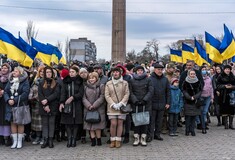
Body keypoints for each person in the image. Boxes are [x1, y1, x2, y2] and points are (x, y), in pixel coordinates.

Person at [4, 66, 30, 149]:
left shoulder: (25, 81)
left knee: (20, 123)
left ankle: (19, 141)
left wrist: (14, 100)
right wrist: (8, 100)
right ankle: (14, 141)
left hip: (20, 105)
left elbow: (25, 93)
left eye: (16, 71)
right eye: (13, 71)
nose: (13, 72)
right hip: (10, 105)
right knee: (13, 123)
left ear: (20, 73)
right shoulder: (10, 81)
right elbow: (6, 92)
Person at [105, 67, 130, 148]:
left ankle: (118, 140)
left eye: (117, 72)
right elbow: (107, 95)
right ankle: (112, 140)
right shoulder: (108, 83)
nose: (115, 73)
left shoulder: (125, 83)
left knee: (120, 123)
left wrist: (121, 103)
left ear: (120, 73)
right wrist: (113, 104)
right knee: (113, 123)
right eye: (114, 72)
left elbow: (127, 94)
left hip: (121, 107)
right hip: (112, 107)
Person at [59, 66, 84, 147]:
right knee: (67, 123)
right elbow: (63, 93)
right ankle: (69, 138)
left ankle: (74, 139)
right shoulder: (65, 81)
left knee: (76, 123)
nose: (71, 73)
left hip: (77, 104)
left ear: (76, 73)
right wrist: (62, 102)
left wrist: (73, 97)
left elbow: (81, 93)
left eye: (73, 72)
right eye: (70, 72)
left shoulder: (80, 81)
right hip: (67, 105)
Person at [129, 66, 153, 146]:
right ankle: (136, 138)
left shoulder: (148, 80)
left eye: (141, 70)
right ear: (136, 72)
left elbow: (150, 91)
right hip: (135, 104)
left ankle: (143, 138)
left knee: (144, 121)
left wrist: (145, 100)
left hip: (145, 104)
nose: (140, 72)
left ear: (143, 71)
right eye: (138, 70)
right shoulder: (132, 80)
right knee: (136, 121)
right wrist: (134, 100)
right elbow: (130, 91)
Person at [38, 66, 60, 148]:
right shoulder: (41, 82)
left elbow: (56, 94)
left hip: (52, 106)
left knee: (51, 123)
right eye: (47, 72)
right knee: (45, 124)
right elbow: (40, 94)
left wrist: (47, 100)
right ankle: (45, 139)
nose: (48, 73)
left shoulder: (56, 83)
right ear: (44, 73)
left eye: (50, 72)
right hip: (43, 106)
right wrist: (45, 104)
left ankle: (51, 139)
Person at [149, 63, 171, 142]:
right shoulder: (150, 79)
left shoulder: (165, 79)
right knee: (152, 121)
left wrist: (168, 102)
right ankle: (150, 135)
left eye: (161, 70)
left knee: (159, 121)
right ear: (154, 70)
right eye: (158, 69)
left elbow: (168, 91)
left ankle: (157, 134)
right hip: (152, 103)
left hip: (162, 103)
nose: (160, 71)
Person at [83, 72, 106, 146]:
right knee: (90, 126)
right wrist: (89, 105)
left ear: (96, 78)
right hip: (88, 108)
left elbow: (102, 96)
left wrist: (95, 105)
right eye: (90, 78)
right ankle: (93, 140)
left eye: (93, 78)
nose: (91, 79)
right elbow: (83, 98)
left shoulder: (101, 86)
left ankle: (99, 140)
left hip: (98, 108)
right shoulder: (85, 86)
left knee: (97, 126)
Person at [182, 69, 203, 136]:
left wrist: (194, 97)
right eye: (191, 74)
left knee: (194, 117)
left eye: (194, 74)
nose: (193, 75)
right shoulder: (185, 82)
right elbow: (184, 91)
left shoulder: (198, 82)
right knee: (188, 117)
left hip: (195, 102)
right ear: (189, 74)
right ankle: (187, 130)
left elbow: (200, 91)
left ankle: (192, 130)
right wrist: (189, 97)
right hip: (187, 102)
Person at [28, 65, 44, 145]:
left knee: (42, 122)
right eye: (40, 71)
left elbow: (43, 93)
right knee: (36, 122)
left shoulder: (46, 81)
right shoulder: (35, 81)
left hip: (43, 104)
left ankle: (43, 137)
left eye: (43, 71)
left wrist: (36, 98)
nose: (41, 73)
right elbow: (31, 90)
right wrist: (30, 98)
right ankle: (37, 136)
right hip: (35, 105)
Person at [216, 65, 235, 129]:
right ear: (224, 70)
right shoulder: (220, 76)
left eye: (229, 69)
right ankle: (226, 124)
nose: (228, 70)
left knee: (231, 110)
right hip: (223, 95)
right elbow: (217, 86)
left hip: (231, 95)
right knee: (224, 110)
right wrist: (224, 86)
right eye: (226, 69)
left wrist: (232, 86)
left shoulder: (232, 76)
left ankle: (231, 124)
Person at [199, 66, 214, 134]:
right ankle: (201, 125)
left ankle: (204, 125)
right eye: (203, 69)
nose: (204, 71)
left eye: (205, 69)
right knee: (201, 111)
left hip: (208, 97)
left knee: (205, 111)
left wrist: (212, 97)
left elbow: (211, 88)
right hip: (201, 96)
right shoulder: (199, 78)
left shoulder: (209, 79)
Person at [0, 63, 12, 146]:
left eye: (5, 68)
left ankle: (7, 137)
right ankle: (1, 138)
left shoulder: (10, 79)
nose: (4, 69)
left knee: (7, 120)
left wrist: (5, 93)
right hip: (0, 101)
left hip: (7, 102)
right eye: (2, 68)